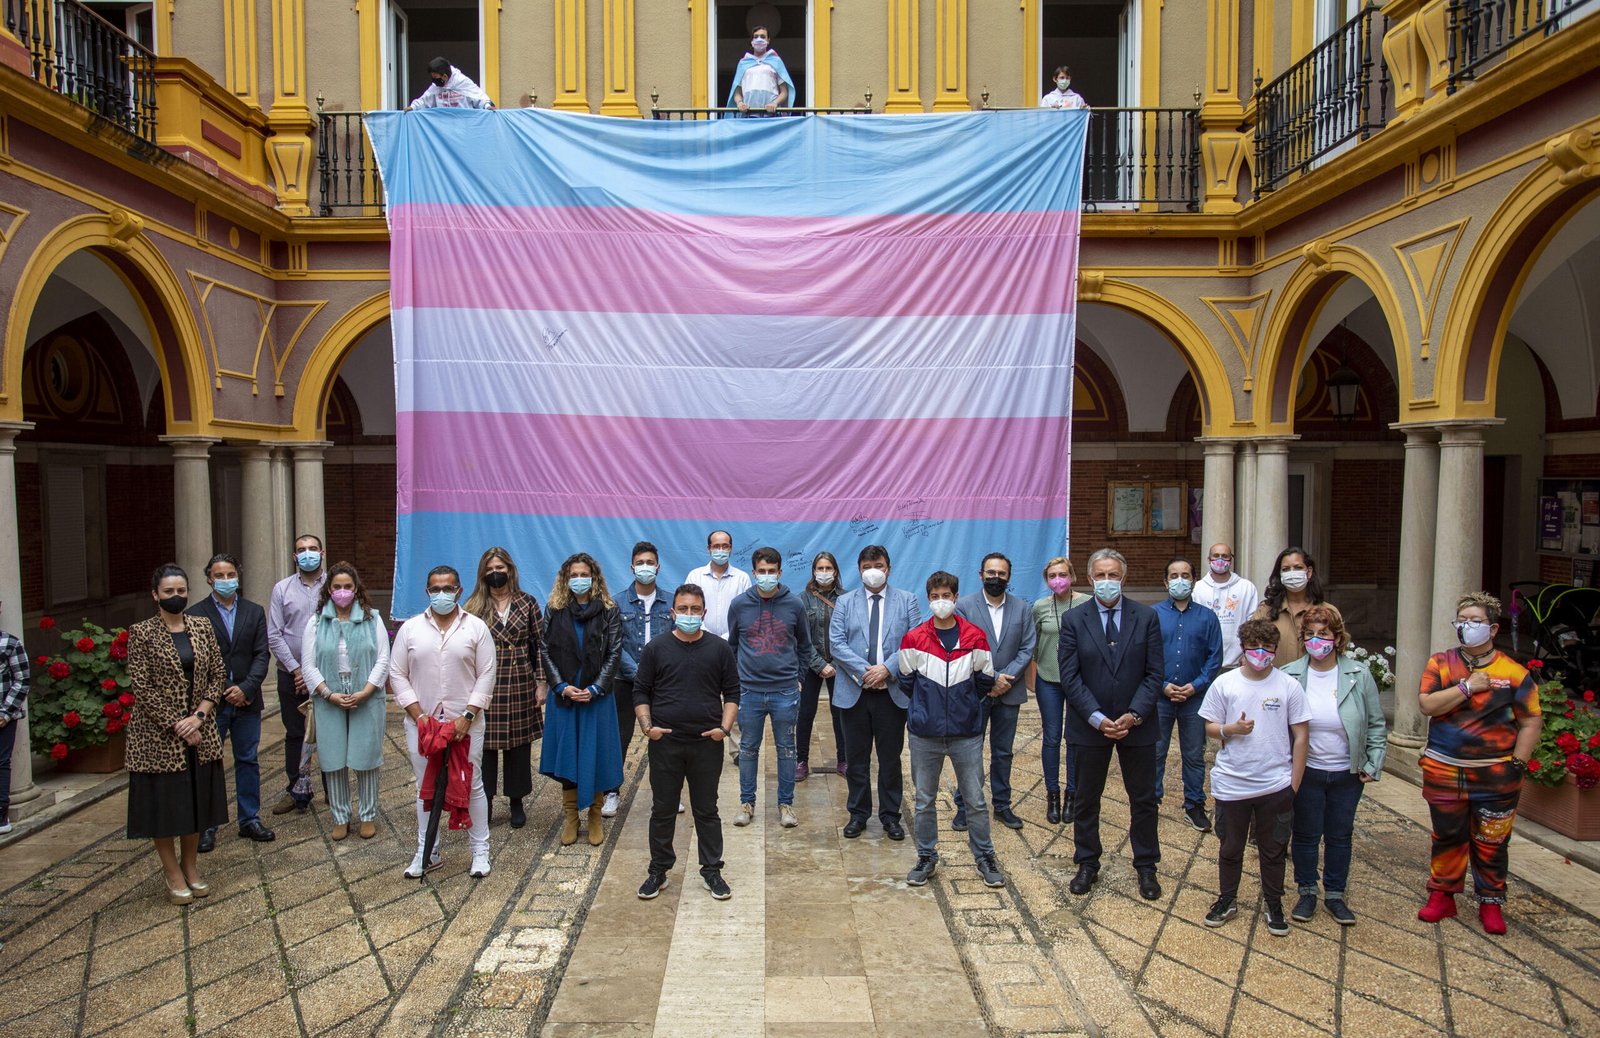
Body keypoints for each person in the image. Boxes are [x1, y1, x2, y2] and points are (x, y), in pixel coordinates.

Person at [1416, 592, 1542, 935]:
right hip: (1444, 770)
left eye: (1475, 621)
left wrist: (1518, 762)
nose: (1467, 627)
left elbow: (1531, 720)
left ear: (1493, 628)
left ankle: (1490, 900)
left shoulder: (1514, 672)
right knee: (1447, 836)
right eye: (1462, 620)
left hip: (1496, 774)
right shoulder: (1441, 663)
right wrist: (1467, 687)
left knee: (1492, 840)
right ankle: (1442, 894)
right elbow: (1428, 705)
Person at [1057, 548, 1165, 900]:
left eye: (1113, 574)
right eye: (1100, 575)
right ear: (1089, 579)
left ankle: (1146, 866)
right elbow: (1070, 678)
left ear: (1124, 577)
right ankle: (1087, 862)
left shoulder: (1146, 617)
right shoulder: (1074, 620)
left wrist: (1134, 715)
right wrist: (1098, 718)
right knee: (1087, 798)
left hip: (1138, 724)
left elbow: (1154, 674)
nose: (1107, 581)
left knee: (1144, 799)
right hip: (1090, 726)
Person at [1199, 618, 1310, 936]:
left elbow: (1301, 735)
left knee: (1273, 849)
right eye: (1254, 648)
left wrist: (1294, 785)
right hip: (1232, 783)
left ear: (1275, 650)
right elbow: (1209, 726)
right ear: (1243, 649)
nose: (1261, 654)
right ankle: (1227, 899)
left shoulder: (1288, 685)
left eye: (1268, 648)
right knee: (1230, 847)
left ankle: (1274, 904)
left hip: (1275, 784)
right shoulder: (1226, 684)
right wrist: (1229, 730)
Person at [126, 564, 228, 905]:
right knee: (167, 808)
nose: (176, 596)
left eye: (181, 590)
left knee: (195, 803)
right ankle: (171, 873)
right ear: (155, 594)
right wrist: (178, 724)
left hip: (200, 733)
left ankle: (191, 867)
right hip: (158, 738)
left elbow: (217, 674)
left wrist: (198, 716)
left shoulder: (202, 626)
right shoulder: (141, 633)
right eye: (168, 591)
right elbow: (142, 687)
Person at [634, 584, 740, 901]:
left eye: (695, 609)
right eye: (683, 609)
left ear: (704, 613)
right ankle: (658, 871)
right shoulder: (656, 648)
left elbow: (733, 693)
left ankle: (712, 871)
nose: (689, 615)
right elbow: (640, 691)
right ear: (673, 612)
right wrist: (648, 727)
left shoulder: (720, 650)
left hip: (707, 743)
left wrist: (724, 728)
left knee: (707, 810)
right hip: (665, 743)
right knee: (663, 809)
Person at [899, 571, 1005, 888]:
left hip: (967, 734)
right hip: (924, 734)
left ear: (956, 598)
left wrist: (964, 704)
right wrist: (926, 707)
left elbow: (986, 680)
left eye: (946, 596)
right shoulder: (914, 639)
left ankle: (985, 857)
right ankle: (927, 857)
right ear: (927, 599)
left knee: (975, 800)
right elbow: (906, 682)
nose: (940, 602)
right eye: (935, 597)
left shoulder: (975, 637)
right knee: (924, 800)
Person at [1282, 604, 1386, 926]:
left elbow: (1376, 724)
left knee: (1340, 835)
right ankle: (1307, 890)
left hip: (1347, 773)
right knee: (1305, 834)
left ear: (1337, 637)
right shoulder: (1290, 675)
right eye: (1310, 634)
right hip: (1308, 770)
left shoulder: (1358, 673)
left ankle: (1336, 894)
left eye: (1323, 633)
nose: (1316, 640)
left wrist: (1373, 761)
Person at [390, 565, 497, 879]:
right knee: (426, 788)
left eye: (447, 588)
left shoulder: (476, 628)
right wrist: (418, 716)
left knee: (472, 784)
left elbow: (486, 674)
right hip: (422, 724)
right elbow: (397, 674)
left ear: (459, 591)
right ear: (427, 592)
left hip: (467, 723)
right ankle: (428, 852)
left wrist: (467, 715)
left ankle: (480, 852)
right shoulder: (410, 629)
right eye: (435, 589)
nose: (441, 594)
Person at [829, 545, 921, 841]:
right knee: (856, 759)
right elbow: (837, 644)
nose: (873, 570)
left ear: (888, 569)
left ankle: (890, 816)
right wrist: (866, 672)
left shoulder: (907, 601)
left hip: (891, 693)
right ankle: (858, 814)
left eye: (878, 564)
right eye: (867, 565)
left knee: (890, 759)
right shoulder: (844, 602)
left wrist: (886, 670)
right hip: (854, 692)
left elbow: (913, 642)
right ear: (859, 569)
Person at [186, 554, 273, 852]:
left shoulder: (254, 611)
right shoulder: (196, 615)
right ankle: (208, 825)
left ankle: (249, 818)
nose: (225, 580)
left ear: (239, 575)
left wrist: (246, 688)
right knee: (210, 763)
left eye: (230, 574)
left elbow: (262, 654)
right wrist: (225, 689)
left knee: (248, 759)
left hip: (247, 701)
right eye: (219, 575)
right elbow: (198, 660)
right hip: (213, 704)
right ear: (209, 578)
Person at [300, 563, 390, 842]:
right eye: (336, 587)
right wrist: (327, 693)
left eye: (347, 587)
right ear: (329, 589)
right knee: (334, 758)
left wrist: (366, 691)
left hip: (366, 692)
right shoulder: (316, 622)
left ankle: (367, 815)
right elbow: (308, 664)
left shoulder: (372, 618)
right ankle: (340, 817)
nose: (342, 592)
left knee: (366, 757)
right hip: (329, 695)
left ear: (356, 589)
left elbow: (383, 659)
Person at [540, 552, 625, 847]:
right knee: (568, 755)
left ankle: (595, 817)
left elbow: (614, 653)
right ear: (566, 579)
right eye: (573, 575)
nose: (579, 580)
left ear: (595, 578)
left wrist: (596, 688)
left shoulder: (609, 611)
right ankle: (571, 818)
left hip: (596, 698)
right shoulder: (554, 609)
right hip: (564, 696)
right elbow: (545, 650)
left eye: (584, 574)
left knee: (595, 755)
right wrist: (560, 686)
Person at [727, 546, 812, 828]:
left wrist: (798, 679)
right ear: (753, 573)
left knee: (787, 749)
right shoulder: (740, 604)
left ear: (780, 572)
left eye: (771, 572)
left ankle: (786, 805)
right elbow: (733, 647)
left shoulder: (794, 605)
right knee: (748, 749)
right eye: (761, 572)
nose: (766, 576)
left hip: (785, 691)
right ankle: (746, 802)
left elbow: (805, 646)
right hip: (749, 691)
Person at [463, 546, 547, 828]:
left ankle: (516, 801)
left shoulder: (527, 602)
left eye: (500, 568)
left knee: (517, 747)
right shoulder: (473, 605)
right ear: (482, 574)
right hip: (485, 683)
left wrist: (541, 682)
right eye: (490, 570)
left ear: (510, 570)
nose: (495, 573)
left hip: (521, 680)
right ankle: (483, 801)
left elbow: (540, 644)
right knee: (484, 746)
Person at [953, 553, 1036, 831]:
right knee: (969, 751)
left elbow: (1027, 648)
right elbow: (963, 647)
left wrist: (1005, 679)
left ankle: (1002, 804)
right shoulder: (963, 607)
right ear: (980, 575)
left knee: (1003, 752)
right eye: (991, 572)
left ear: (1009, 577)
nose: (995, 578)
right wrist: (991, 679)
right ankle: (964, 806)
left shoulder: (1023, 609)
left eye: (1001, 573)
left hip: (1009, 693)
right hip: (975, 691)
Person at [1152, 557, 1224, 832]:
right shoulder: (1153, 615)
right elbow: (1147, 655)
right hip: (1161, 697)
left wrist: (1196, 685)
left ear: (1194, 580)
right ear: (1165, 581)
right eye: (1174, 575)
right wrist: (1163, 684)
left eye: (1185, 575)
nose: (1179, 580)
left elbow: (1214, 658)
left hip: (1195, 698)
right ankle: (1151, 801)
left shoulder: (1208, 617)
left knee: (1194, 754)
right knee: (1155, 752)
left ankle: (1194, 805)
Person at [606, 541, 673, 818]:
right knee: (619, 737)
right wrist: (638, 674)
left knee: (664, 738)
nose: (645, 567)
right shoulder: (617, 602)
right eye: (640, 563)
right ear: (632, 567)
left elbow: (674, 640)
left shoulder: (671, 601)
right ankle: (611, 791)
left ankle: (667, 793)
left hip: (662, 682)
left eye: (650, 563)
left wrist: (656, 675)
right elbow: (613, 645)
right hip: (623, 680)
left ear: (658, 567)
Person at [266, 533, 327, 814]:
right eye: (301, 550)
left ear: (322, 552)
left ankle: (331, 790)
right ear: (294, 557)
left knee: (329, 732)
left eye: (312, 549)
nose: (307, 554)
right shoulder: (282, 589)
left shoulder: (335, 586)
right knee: (294, 733)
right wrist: (297, 669)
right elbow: (275, 635)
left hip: (326, 675)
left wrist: (313, 671)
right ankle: (295, 789)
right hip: (290, 673)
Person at [1028, 557, 1091, 825]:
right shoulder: (1040, 606)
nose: (1058, 580)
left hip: (1078, 681)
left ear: (1073, 576)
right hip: (1048, 680)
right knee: (1052, 737)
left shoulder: (1087, 603)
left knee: (1074, 738)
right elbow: (1033, 645)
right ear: (1046, 580)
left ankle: (1072, 795)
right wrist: (1032, 679)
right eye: (1052, 576)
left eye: (1062, 574)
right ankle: (1052, 794)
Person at [797, 551, 845, 781]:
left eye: (828, 568)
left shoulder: (846, 599)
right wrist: (819, 664)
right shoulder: (802, 599)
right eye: (820, 568)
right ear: (813, 571)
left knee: (841, 714)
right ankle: (801, 761)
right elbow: (801, 638)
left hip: (840, 666)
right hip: (810, 666)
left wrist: (835, 663)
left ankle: (844, 760)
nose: (824, 573)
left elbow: (850, 635)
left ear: (835, 571)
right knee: (805, 714)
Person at [1250, 547, 1328, 667]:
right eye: (1286, 569)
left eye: (1298, 567)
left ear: (1309, 572)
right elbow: (1251, 646)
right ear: (1280, 575)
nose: (1292, 573)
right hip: (1274, 682)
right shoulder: (1265, 611)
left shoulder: (1328, 612)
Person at [1192, 542, 1260, 668]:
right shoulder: (1197, 589)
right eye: (1216, 555)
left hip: (1238, 663)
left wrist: (1249, 654)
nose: (1220, 559)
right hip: (1204, 664)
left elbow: (1254, 624)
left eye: (1224, 556)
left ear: (1231, 559)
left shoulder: (1246, 587)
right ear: (1208, 559)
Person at [684, 530, 752, 641]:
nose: (721, 550)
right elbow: (689, 610)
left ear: (730, 549)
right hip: (700, 641)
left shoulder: (742, 578)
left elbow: (746, 613)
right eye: (716, 546)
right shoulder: (695, 576)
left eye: (725, 546)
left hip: (733, 643)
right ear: (709, 549)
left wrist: (727, 637)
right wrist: (708, 637)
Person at [0, 603, 28, 835]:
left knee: (1, 763)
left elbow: (22, 679)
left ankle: (1, 814)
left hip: (3, 718)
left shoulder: (9, 643)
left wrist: (5, 713)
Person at [727, 25, 795, 114]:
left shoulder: (776, 61)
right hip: (748, 115)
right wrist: (740, 103)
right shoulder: (743, 64)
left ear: (768, 40)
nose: (759, 39)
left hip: (771, 115)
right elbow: (737, 93)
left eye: (763, 36)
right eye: (756, 37)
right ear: (752, 41)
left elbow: (784, 92)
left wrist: (774, 103)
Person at [408, 56, 494, 110]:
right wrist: (413, 107)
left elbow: (479, 98)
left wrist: (487, 105)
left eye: (435, 78)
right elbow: (425, 100)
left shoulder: (462, 82)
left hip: (464, 128)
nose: (433, 80)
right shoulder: (436, 87)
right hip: (445, 130)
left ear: (444, 76)